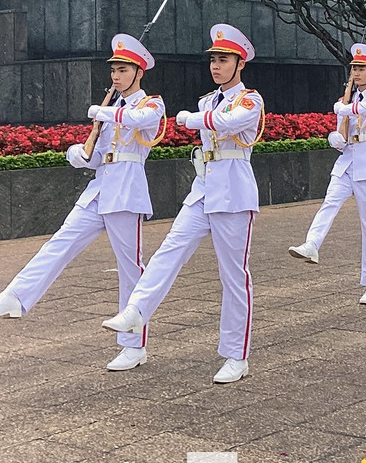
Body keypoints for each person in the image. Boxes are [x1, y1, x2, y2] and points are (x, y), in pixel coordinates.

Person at [0, 33, 164, 373]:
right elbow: (97, 157)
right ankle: (15, 297)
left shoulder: (150, 105)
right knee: (60, 242)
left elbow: (140, 123)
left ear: (139, 72)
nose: (116, 76)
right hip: (100, 187)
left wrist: (103, 113)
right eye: (114, 70)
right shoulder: (112, 110)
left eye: (123, 69)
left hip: (126, 191)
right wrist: (79, 155)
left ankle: (134, 347)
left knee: (130, 268)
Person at [102, 24, 263, 384]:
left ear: (240, 64)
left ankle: (236, 356)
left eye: (224, 60)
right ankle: (136, 310)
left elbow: (228, 122)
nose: (216, 66)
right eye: (214, 60)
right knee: (169, 250)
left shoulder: (250, 99)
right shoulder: (208, 99)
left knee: (233, 276)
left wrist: (192, 119)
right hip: (204, 187)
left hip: (234, 193)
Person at [288, 43, 366, 304]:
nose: (356, 73)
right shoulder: (346, 99)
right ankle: (312, 244)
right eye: (354, 68)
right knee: (329, 202)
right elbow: (343, 135)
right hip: (348, 162)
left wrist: (346, 109)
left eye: (361, 68)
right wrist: (335, 138)